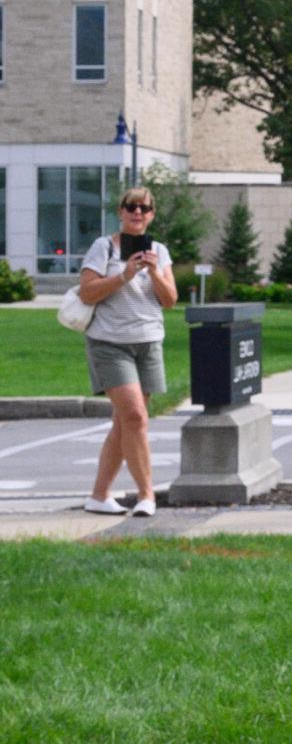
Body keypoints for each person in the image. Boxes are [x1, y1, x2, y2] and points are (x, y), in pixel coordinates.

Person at [74, 186, 177, 516]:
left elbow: (170, 300)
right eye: (131, 207)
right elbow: (88, 293)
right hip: (110, 343)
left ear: (152, 215)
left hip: (148, 341)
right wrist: (125, 274)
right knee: (134, 416)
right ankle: (147, 495)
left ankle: (99, 495)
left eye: (144, 209)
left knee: (125, 423)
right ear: (120, 211)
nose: (137, 213)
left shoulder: (158, 250)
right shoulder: (103, 247)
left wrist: (154, 273)